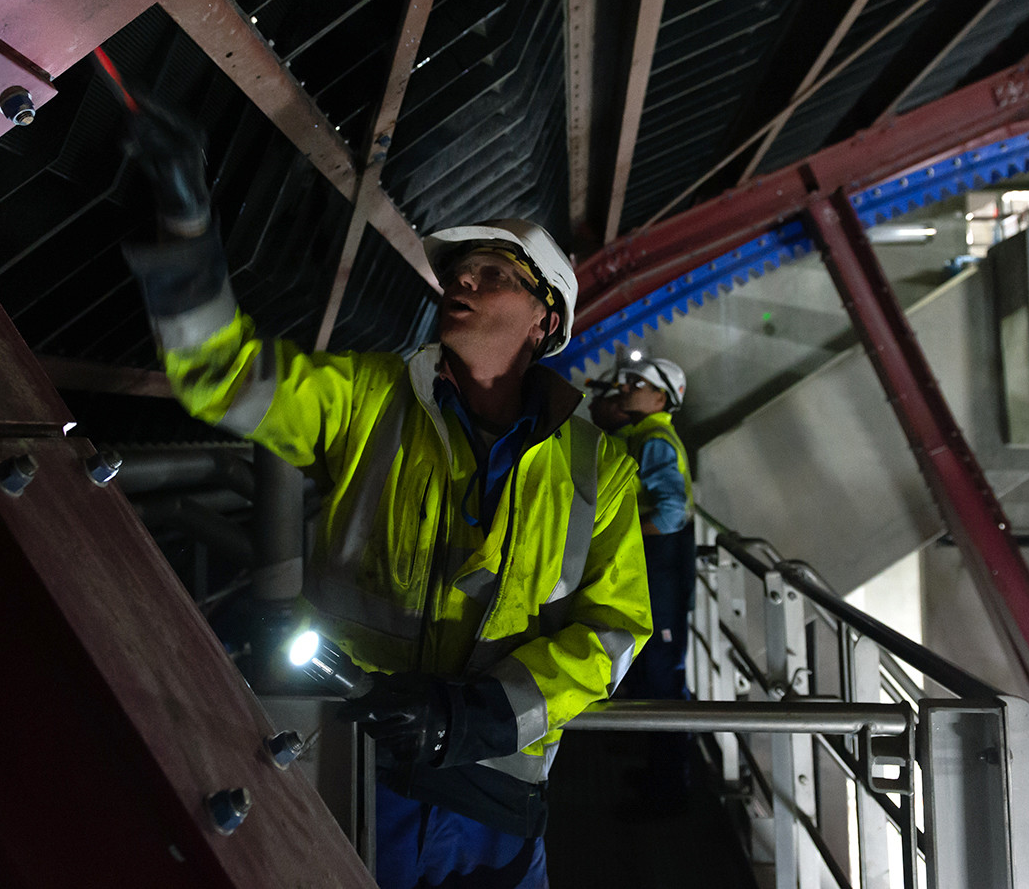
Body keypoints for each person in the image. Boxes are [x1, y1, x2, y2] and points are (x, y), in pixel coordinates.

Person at [120, 108, 649, 889]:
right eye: (459, 269)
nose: (461, 279)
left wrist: (478, 715)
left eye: (492, 272)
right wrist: (184, 232)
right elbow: (223, 376)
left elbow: (614, 631)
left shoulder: (601, 469)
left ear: (545, 319)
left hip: (494, 797)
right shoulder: (370, 398)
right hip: (357, 763)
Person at [588, 356, 695, 815]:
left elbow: (670, 514)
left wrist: (622, 533)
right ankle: (659, 776)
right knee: (653, 671)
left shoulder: (652, 440)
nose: (626, 387)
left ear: (661, 398)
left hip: (662, 570)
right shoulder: (641, 435)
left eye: (638, 383)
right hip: (658, 571)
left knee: (663, 675)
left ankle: (670, 791)